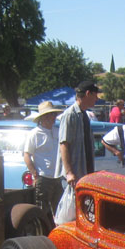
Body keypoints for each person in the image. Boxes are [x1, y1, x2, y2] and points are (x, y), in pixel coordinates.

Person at [54, 80, 99, 224]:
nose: (96, 99)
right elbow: (64, 145)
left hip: (84, 172)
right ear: (88, 94)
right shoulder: (70, 115)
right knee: (70, 213)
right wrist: (69, 172)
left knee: (83, 211)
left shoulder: (84, 115)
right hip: (74, 175)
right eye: (95, 95)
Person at [23, 100, 64, 217]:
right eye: (49, 115)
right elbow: (26, 155)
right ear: (43, 118)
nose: (52, 117)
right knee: (42, 210)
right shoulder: (34, 134)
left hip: (58, 177)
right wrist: (35, 175)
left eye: (53, 115)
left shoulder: (58, 131)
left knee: (59, 209)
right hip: (43, 177)